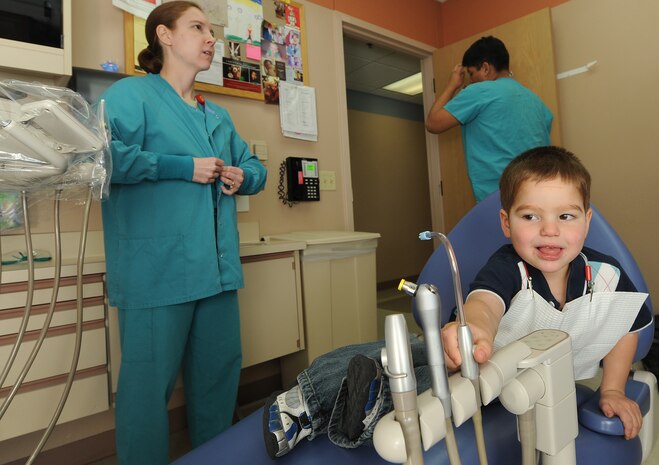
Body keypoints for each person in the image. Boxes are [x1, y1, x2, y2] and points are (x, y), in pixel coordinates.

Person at [263, 146, 650, 459]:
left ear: (586, 220)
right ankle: (305, 401)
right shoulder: (508, 266)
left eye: (566, 216)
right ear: (506, 222)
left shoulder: (605, 275)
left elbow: (624, 328)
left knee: (425, 394)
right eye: (530, 216)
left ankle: (365, 405)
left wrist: (612, 389)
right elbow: (486, 301)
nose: (549, 230)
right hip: (475, 358)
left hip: (517, 383)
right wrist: (475, 329)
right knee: (400, 360)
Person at [99, 2, 267, 464]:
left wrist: (242, 176)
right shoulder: (131, 96)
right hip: (158, 274)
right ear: (164, 36)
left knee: (217, 385)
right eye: (198, 27)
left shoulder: (216, 116)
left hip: (214, 272)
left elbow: (256, 169)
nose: (211, 38)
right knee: (145, 395)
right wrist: (182, 167)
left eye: (212, 30)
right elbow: (101, 158)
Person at [425, 36, 553, 202]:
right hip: (541, 194)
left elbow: (433, 123)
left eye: (471, 74)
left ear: (485, 68)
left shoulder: (479, 91)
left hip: (501, 198)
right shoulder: (536, 101)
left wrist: (453, 85)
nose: (470, 81)